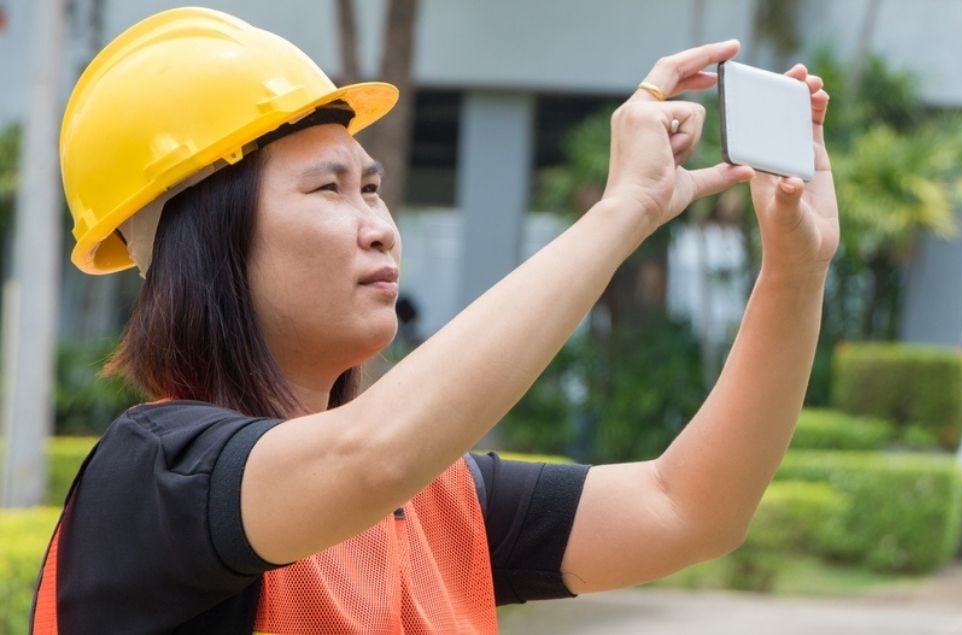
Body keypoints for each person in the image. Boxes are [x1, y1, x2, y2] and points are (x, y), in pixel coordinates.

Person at [33, 6, 836, 634]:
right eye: (328, 189)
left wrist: (797, 271)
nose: (378, 225)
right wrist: (623, 211)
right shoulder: (157, 477)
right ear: (211, 241)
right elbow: (368, 454)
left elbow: (687, 507)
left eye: (372, 187)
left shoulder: (436, 498)